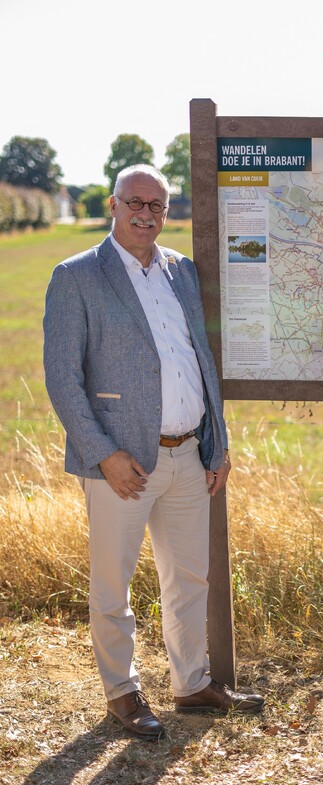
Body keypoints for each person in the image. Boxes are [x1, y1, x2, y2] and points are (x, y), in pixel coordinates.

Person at [43, 164, 264, 739]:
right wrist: (103, 454)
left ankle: (191, 683)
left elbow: (200, 362)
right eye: (135, 202)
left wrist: (218, 442)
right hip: (122, 462)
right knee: (112, 587)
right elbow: (63, 379)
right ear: (114, 206)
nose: (146, 213)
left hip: (188, 453)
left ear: (168, 213)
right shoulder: (76, 276)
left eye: (158, 205)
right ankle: (122, 691)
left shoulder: (181, 271)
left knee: (190, 578)